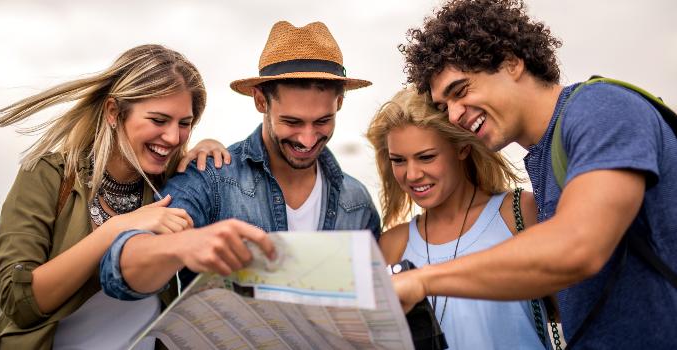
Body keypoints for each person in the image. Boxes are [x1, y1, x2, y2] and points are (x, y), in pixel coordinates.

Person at [395, 0, 677, 348]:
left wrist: (424, 279)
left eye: (461, 90)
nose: (453, 115)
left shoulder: (601, 109)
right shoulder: (545, 156)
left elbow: (578, 246)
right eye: (443, 106)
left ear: (512, 62)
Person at [0, 44, 275, 350]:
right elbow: (20, 303)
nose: (173, 138)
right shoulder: (47, 175)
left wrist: (209, 146)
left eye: (184, 124)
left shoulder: (174, 180)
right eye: (159, 121)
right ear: (113, 112)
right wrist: (116, 229)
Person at [99, 21, 381, 299]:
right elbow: (119, 271)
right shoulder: (210, 179)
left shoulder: (358, 203)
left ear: (339, 103)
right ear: (260, 102)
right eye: (292, 122)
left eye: (322, 121)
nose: (307, 139)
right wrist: (182, 245)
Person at [367, 87, 549, 349]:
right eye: (399, 160)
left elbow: (573, 311)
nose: (412, 174)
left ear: (462, 148)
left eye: (426, 157)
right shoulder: (392, 245)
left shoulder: (519, 212)